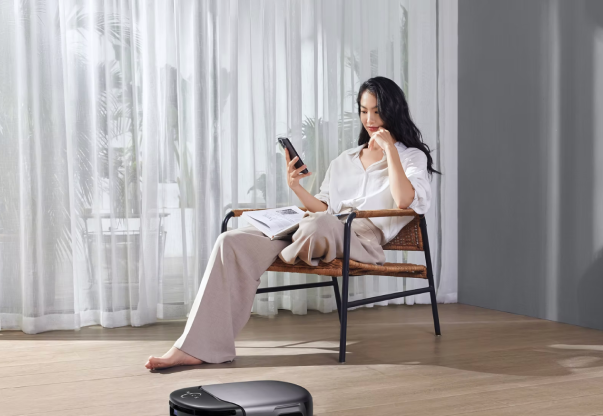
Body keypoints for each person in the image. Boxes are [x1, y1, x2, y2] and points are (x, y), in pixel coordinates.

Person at [145, 77, 436, 370]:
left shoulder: (411, 157)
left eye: (377, 111)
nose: (370, 119)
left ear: (393, 110)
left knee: (317, 225)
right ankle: (196, 347)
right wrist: (296, 188)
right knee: (230, 241)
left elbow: (403, 201)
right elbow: (324, 206)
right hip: (319, 227)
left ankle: (282, 246)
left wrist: (391, 151)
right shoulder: (344, 160)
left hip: (359, 238)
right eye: (363, 111)